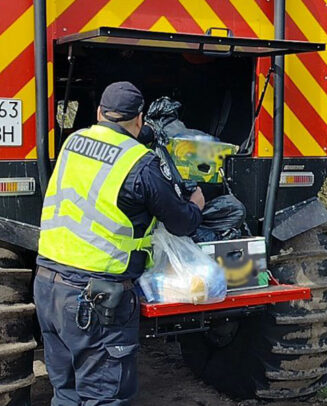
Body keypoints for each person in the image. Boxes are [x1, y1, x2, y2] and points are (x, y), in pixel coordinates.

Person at [35, 81, 205, 405]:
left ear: (99, 113)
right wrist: (196, 204)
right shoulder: (139, 162)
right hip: (96, 299)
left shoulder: (73, 142)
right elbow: (180, 222)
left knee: (66, 395)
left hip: (47, 287)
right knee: (105, 397)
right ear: (139, 121)